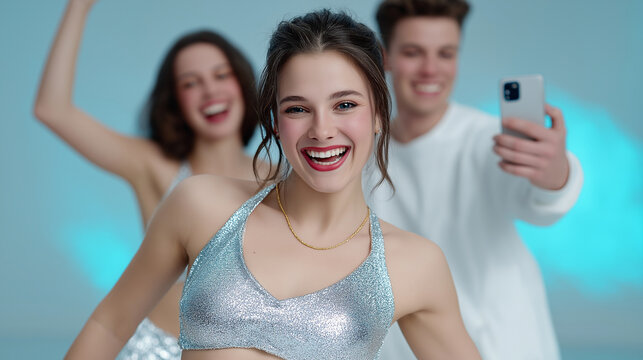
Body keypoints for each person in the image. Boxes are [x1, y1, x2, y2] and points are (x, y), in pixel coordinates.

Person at [63, 9, 482, 360]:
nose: (322, 130)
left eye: (345, 105)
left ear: (377, 115)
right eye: (298, 108)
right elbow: (110, 323)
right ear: (276, 123)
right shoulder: (201, 204)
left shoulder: (414, 264)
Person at [33, 0, 261, 358]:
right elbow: (52, 109)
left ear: (242, 83)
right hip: (150, 349)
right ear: (175, 101)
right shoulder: (154, 166)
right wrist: (79, 7)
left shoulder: (277, 178)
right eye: (191, 83)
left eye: (221, 75)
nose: (210, 92)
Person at [369, 1, 584, 359]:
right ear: (385, 56)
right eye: (412, 52)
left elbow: (541, 202)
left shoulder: (489, 142)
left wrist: (555, 173)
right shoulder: (360, 155)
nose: (430, 69)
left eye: (446, 53)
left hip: (507, 346)